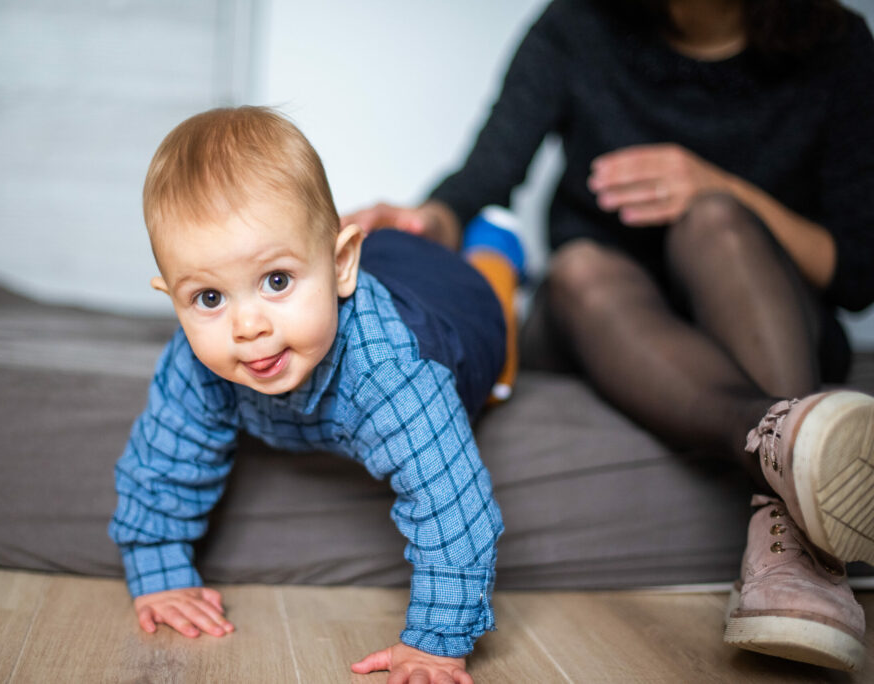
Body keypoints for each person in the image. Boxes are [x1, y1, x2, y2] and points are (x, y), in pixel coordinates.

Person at [343, 0, 874, 672]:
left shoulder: (839, 46)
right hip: (607, 323)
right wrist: (421, 221)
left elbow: (856, 271)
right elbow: (481, 181)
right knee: (578, 268)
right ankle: (789, 442)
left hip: (764, 318)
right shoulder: (576, 26)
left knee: (715, 218)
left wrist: (722, 187)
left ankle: (791, 527)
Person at [108, 106, 526, 683]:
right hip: (370, 262)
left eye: (276, 281)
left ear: (339, 266)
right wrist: (157, 568)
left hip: (453, 300)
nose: (247, 326)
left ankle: (497, 249)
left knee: (497, 343)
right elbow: (165, 460)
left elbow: (455, 510)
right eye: (208, 298)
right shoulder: (195, 361)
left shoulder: (396, 374)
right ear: (173, 299)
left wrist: (436, 640)